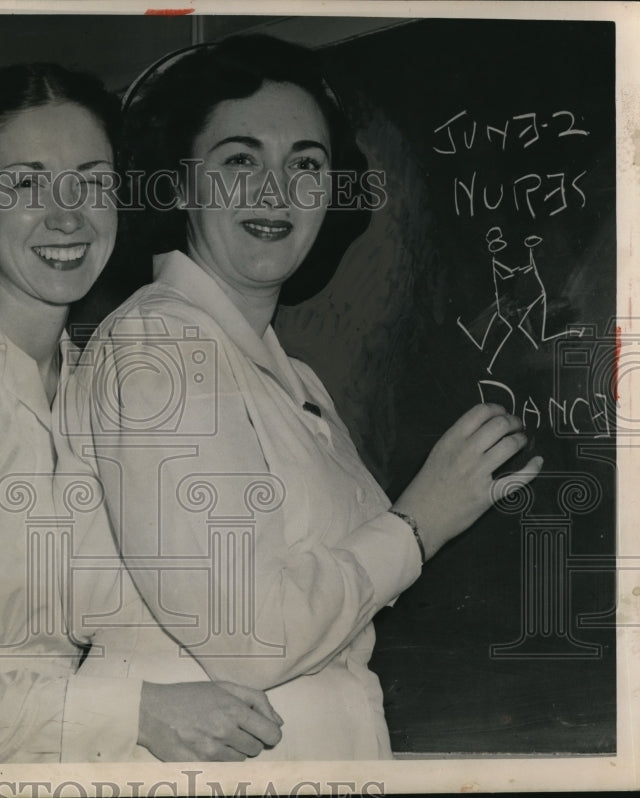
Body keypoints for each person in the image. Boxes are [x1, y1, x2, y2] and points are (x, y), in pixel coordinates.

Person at [61, 35, 544, 760]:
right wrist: (419, 523)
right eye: (240, 160)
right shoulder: (158, 343)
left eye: (306, 166)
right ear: (181, 182)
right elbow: (248, 638)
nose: (276, 191)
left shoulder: (294, 378)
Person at [0, 62, 284, 764]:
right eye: (24, 183)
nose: (67, 214)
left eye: (91, 180)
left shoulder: (99, 384)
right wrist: (134, 713)